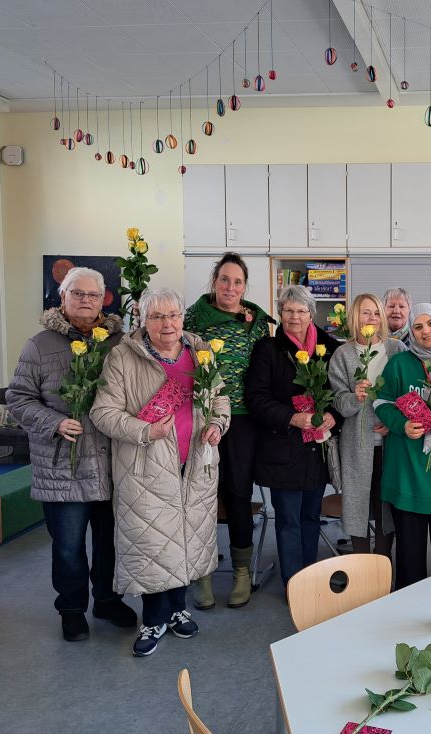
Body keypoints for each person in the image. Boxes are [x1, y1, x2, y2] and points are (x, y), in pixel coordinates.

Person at [90, 287, 229, 657]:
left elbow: (220, 398)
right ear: (143, 320)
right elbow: (102, 413)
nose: (167, 324)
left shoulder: (201, 352)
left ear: (183, 317)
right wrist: (145, 431)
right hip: (145, 465)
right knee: (152, 540)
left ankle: (178, 608)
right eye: (157, 316)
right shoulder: (123, 357)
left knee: (185, 534)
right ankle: (153, 617)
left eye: (173, 315)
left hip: (194, 463)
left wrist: (218, 424)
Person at [7, 267, 137, 642]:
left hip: (111, 462)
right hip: (62, 464)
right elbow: (18, 398)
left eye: (92, 295)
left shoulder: (119, 342)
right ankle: (72, 608)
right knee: (68, 545)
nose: (85, 300)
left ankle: (108, 600)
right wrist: (54, 422)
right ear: (61, 298)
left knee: (110, 540)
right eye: (77, 293)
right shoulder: (39, 345)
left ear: (103, 299)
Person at [183, 253, 273, 610]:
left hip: (243, 419)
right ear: (214, 282)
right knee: (200, 495)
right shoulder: (193, 317)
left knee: (238, 494)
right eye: (224, 280)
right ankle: (202, 571)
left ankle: (240, 571)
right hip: (201, 417)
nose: (230, 287)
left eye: (237, 282)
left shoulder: (257, 321)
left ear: (245, 286)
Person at [245, 285, 341, 586]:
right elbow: (256, 398)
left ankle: (309, 576)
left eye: (301, 310)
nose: (294, 316)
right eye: (288, 310)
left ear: (312, 314)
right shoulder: (267, 350)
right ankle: (294, 583)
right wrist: (292, 417)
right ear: (280, 313)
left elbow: (341, 394)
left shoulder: (330, 347)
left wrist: (333, 417)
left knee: (312, 517)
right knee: (288, 520)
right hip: (282, 448)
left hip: (315, 448)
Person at [374, 303, 431, 588]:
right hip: (408, 475)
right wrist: (401, 425)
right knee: (409, 560)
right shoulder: (400, 363)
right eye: (418, 326)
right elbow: (381, 401)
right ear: (410, 332)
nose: (426, 331)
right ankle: (407, 616)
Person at [329, 294, 402, 557]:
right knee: (357, 505)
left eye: (375, 313)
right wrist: (354, 397)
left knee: (386, 506)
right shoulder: (343, 354)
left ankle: (383, 564)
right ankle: (361, 566)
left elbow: (408, 397)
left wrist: (393, 421)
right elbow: (338, 401)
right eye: (364, 313)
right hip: (357, 444)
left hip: (392, 443)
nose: (371, 318)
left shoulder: (396, 350)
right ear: (354, 318)